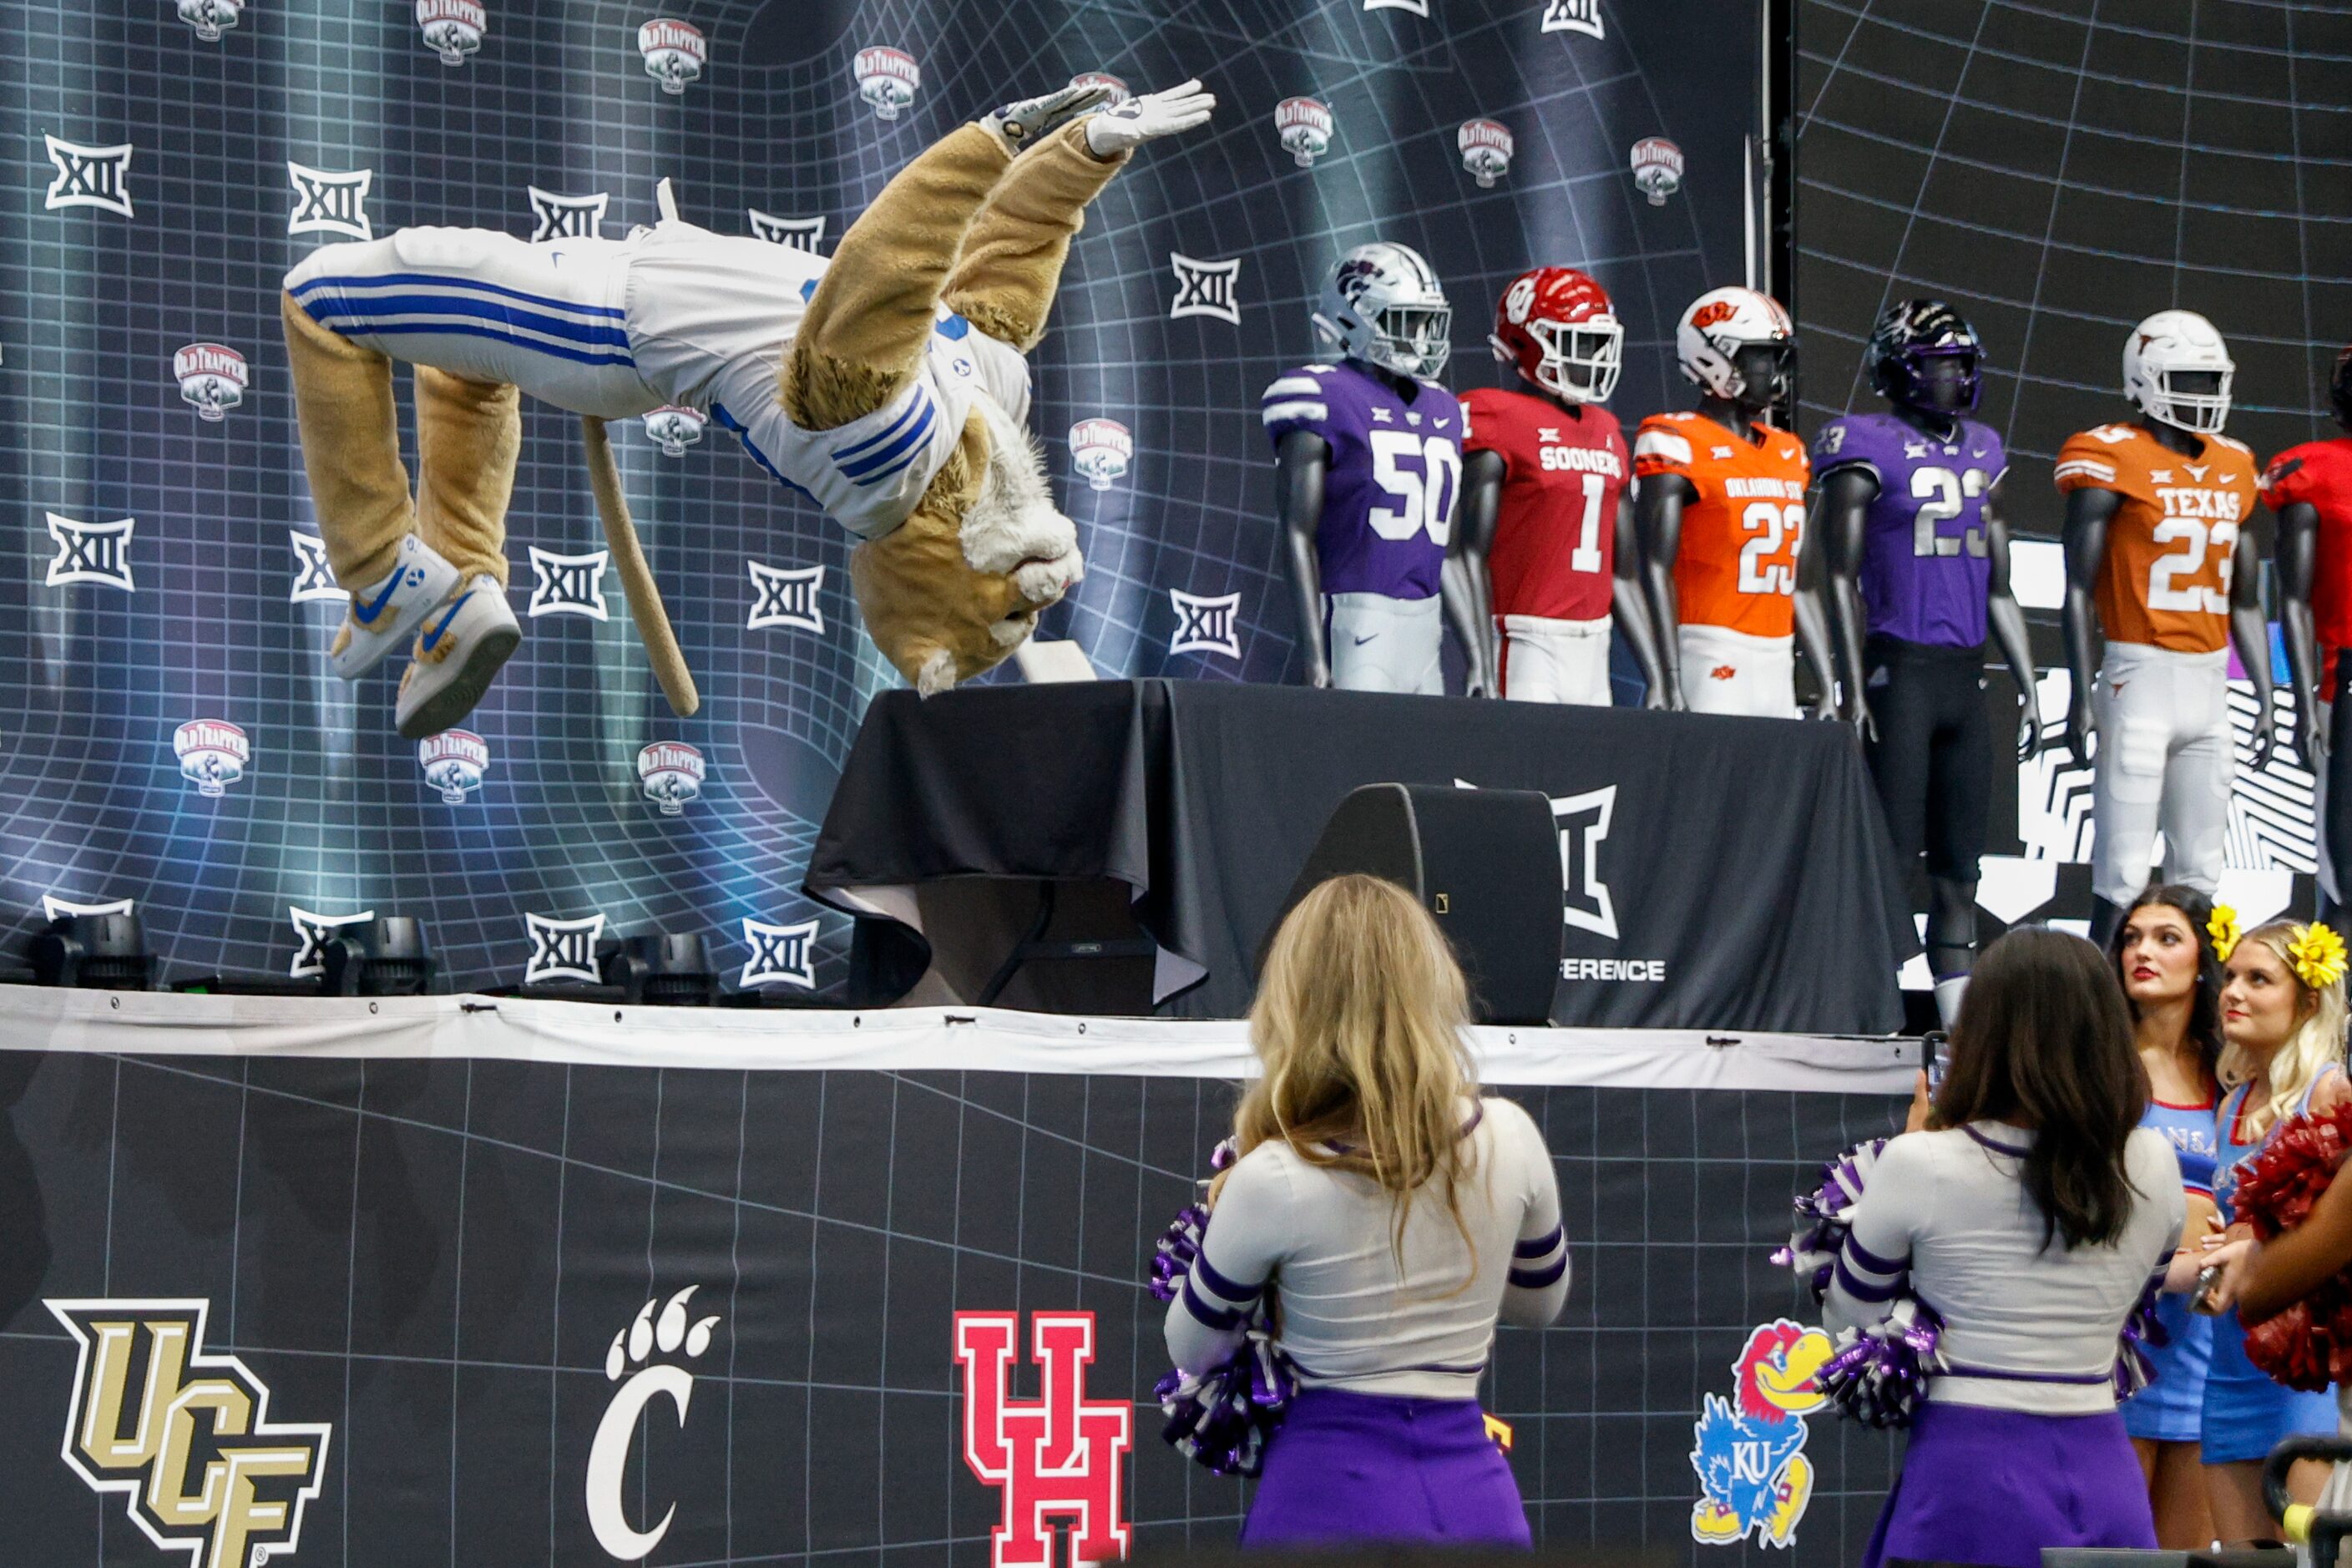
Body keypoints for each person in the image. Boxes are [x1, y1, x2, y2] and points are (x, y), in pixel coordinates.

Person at [281, 79, 1216, 732]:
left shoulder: (885, 468)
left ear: (937, 582)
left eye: (1005, 610)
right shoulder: (992, 406)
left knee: (322, 300)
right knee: (461, 364)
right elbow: (1003, 261)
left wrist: (994, 138)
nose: (1037, 595)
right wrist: (1083, 153)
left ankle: (378, 577)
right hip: (619, 284)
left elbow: (885, 270)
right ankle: (460, 594)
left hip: (603, 324)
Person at [1161, 873, 1570, 1547]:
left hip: (1323, 1503)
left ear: (1292, 1004)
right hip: (1475, 1505)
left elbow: (1194, 1348)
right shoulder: (1511, 1137)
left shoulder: (1273, 1177)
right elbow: (1539, 1304)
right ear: (1431, 988)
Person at [1824, 927, 2185, 1568]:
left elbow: (1848, 1320)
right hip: (2104, 1476)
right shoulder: (2154, 1163)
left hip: (1967, 1480)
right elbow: (2139, 1303)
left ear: (1984, 1031)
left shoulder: (1920, 1163)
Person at [2198, 919, 2349, 1544]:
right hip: (2226, 1366)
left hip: (2295, 1373)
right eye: (2230, 976)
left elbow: (2325, 1242)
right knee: (2238, 1561)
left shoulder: (2329, 1093)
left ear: (2307, 1001)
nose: (2233, 991)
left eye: (2257, 979)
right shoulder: (2230, 1103)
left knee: (2307, 1557)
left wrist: (2241, 1247)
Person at [2107, 886, 2227, 1548]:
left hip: (2207, 1348)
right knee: (2107, 1555)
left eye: (2164, 937)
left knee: (2185, 1557)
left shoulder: (2232, 1073)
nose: (2142, 951)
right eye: (2131, 937)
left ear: (2202, 961)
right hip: (2116, 1346)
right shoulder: (2098, 1068)